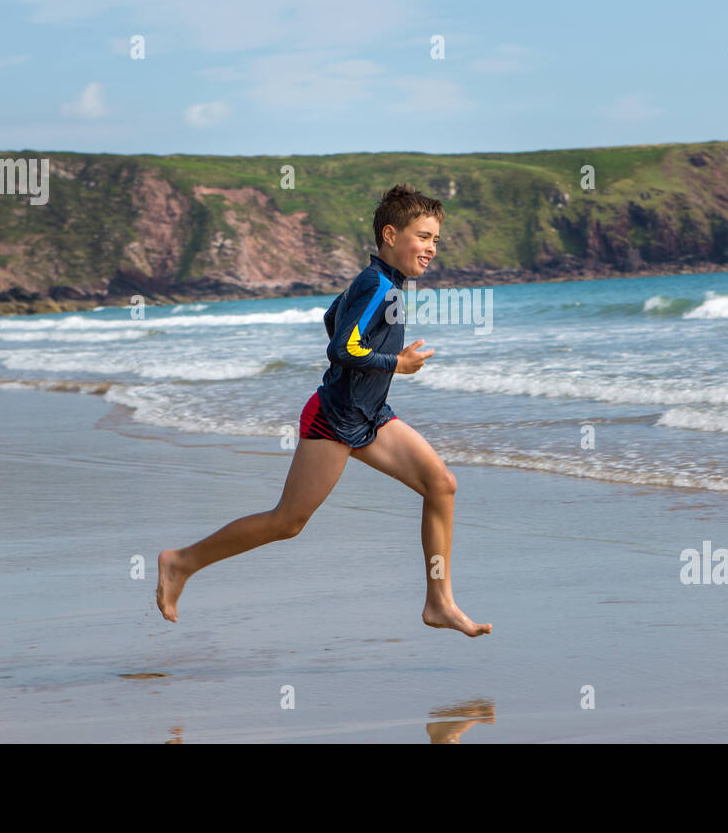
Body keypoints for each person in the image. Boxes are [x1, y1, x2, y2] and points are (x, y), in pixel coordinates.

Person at [156, 184, 491, 637]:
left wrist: (376, 369)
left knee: (441, 486)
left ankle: (439, 602)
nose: (432, 248)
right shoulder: (377, 285)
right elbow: (342, 346)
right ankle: (180, 562)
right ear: (390, 235)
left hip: (371, 416)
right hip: (333, 419)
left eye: (436, 240)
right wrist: (397, 363)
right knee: (286, 522)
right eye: (424, 236)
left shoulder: (382, 282)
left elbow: (333, 317)